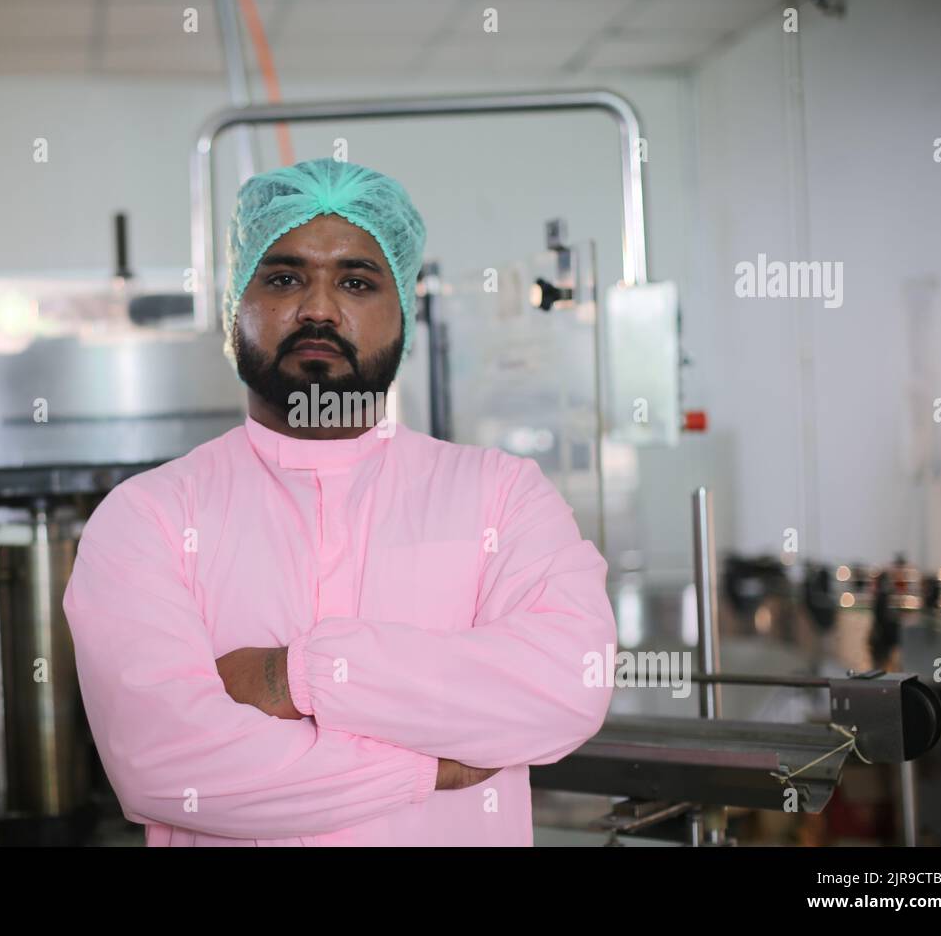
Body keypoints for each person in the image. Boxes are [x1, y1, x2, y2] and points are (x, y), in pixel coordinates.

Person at [62, 157, 617, 846]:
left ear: (404, 313)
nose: (318, 308)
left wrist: (288, 675)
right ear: (238, 304)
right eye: (285, 277)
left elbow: (565, 690)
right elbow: (165, 765)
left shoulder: (501, 496)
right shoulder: (148, 518)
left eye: (356, 281)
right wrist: (428, 770)